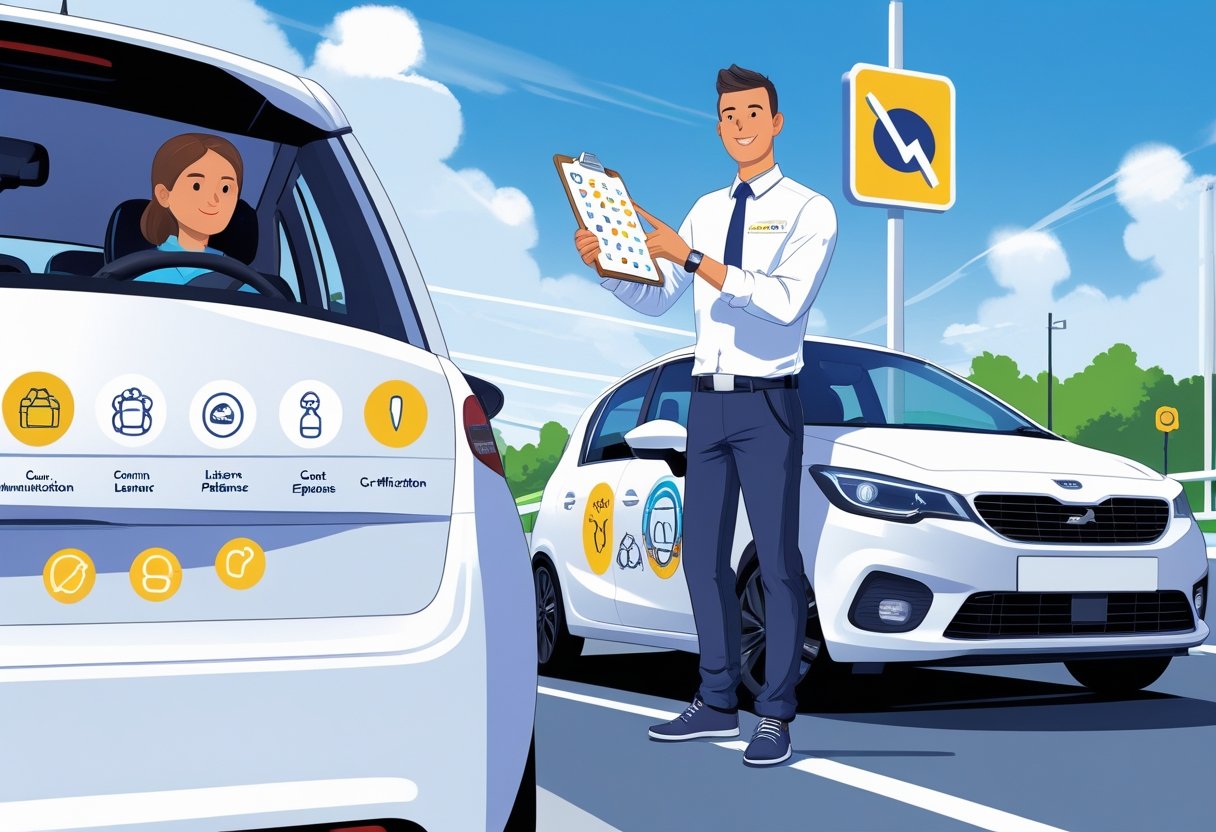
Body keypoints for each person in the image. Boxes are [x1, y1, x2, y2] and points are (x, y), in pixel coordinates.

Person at [573, 64, 837, 767]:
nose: (741, 125)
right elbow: (659, 298)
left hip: (768, 402)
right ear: (718, 125)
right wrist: (609, 264)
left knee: (778, 565)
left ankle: (774, 716)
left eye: (753, 112)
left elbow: (783, 302)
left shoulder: (812, 211)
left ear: (776, 122)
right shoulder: (705, 208)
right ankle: (717, 701)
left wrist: (691, 257)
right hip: (706, 402)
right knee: (701, 560)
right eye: (728, 115)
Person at [137, 133, 250, 290]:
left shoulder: (246, 279)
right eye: (196, 185)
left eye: (225, 188)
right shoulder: (142, 276)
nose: (214, 199)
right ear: (164, 195)